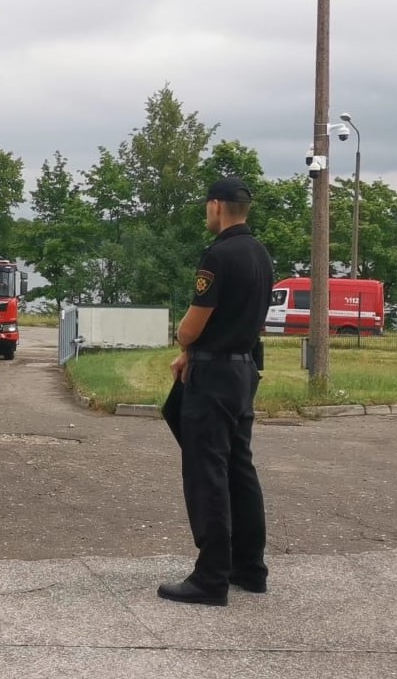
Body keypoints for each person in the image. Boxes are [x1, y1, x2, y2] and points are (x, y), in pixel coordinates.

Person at [159, 177, 273, 606]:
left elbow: (193, 323)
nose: (207, 212)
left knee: (207, 473)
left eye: (208, 206)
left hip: (213, 381)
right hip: (244, 372)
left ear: (217, 206)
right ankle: (250, 568)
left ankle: (210, 578)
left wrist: (185, 342)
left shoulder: (219, 254)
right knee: (240, 471)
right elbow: (248, 321)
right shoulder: (261, 254)